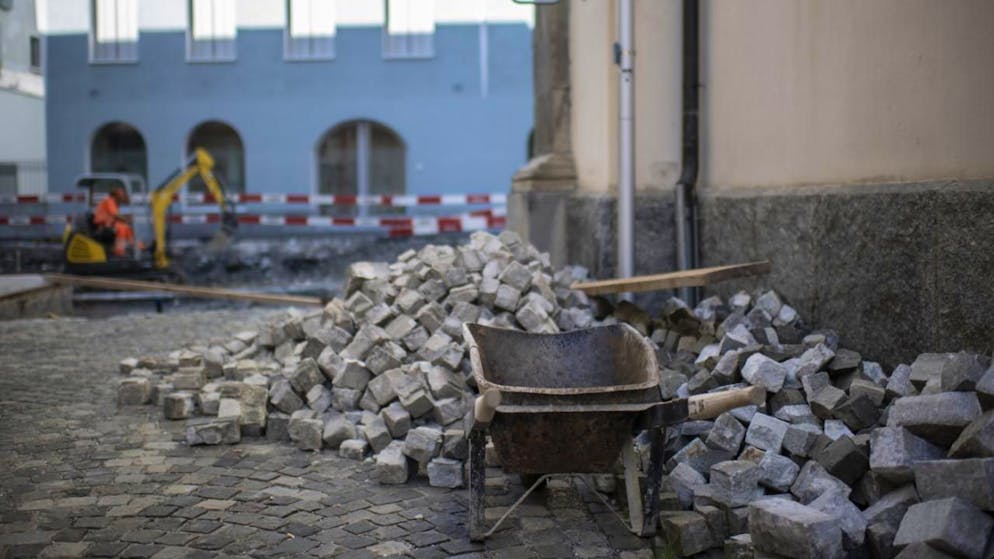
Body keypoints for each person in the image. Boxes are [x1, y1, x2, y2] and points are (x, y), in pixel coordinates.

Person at [93, 185, 136, 256]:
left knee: (127, 228)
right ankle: (119, 251)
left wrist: (127, 218)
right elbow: (115, 215)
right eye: (122, 194)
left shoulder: (114, 202)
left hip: (108, 224)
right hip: (102, 226)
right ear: (116, 195)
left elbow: (116, 215)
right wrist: (126, 219)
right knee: (122, 227)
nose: (123, 196)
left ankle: (137, 247)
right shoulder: (109, 201)